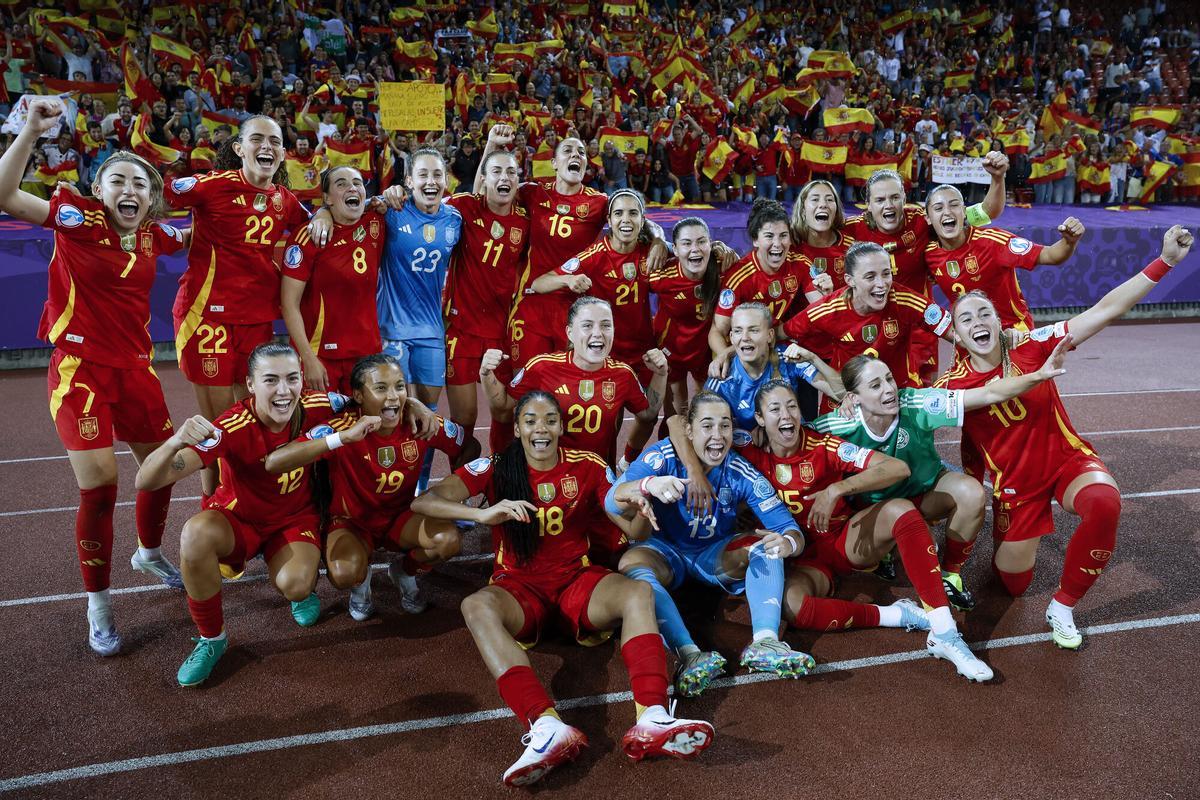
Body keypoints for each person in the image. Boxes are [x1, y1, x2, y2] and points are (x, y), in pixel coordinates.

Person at [410, 391, 714, 787]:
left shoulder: (587, 466)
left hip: (576, 582)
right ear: (517, 429)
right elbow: (426, 502)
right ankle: (545, 726)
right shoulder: (497, 466)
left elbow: (633, 531)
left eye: (550, 420)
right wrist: (480, 513)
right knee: (475, 606)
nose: (542, 429)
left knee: (638, 593)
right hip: (518, 589)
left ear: (561, 426)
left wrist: (640, 509)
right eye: (532, 421)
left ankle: (653, 717)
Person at [936, 226, 1193, 649]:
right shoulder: (951, 386)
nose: (976, 322)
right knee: (1013, 584)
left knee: (1105, 503)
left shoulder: (1032, 345)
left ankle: (1064, 606)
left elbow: (1104, 310)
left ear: (1000, 322)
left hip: (1066, 462)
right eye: (966, 319)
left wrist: (1163, 262)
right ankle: (1010, 534)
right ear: (957, 336)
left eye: (984, 314)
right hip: (1017, 488)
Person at [0, 97, 188, 656]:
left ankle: (149, 552)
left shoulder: (160, 236)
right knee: (101, 487)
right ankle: (99, 605)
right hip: (80, 370)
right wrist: (31, 132)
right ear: (99, 190)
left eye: (140, 184)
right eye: (118, 181)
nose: (129, 190)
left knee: (165, 468)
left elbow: (215, 236)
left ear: (152, 198)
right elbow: (6, 195)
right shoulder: (77, 220)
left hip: (137, 369)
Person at [740, 381, 994, 682]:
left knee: (900, 510)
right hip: (799, 560)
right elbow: (684, 426)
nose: (787, 415)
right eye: (775, 409)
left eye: (792, 405)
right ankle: (897, 615)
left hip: (843, 541)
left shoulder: (824, 445)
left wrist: (838, 488)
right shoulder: (746, 451)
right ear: (758, 419)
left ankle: (945, 632)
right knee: (793, 608)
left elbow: (896, 468)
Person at [134, 345, 347, 687]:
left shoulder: (319, 405)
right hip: (239, 521)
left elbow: (372, 398)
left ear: (302, 381)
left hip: (293, 519)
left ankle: (300, 588)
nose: (283, 390)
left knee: (296, 585)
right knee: (195, 534)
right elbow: (146, 481)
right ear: (250, 384)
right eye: (270, 380)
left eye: (292, 379)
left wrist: (410, 404)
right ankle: (212, 639)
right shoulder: (231, 425)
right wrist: (174, 441)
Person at [810, 342, 1073, 610]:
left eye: (889, 379)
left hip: (924, 493)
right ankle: (887, 553)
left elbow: (988, 393)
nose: (889, 389)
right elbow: (791, 445)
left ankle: (951, 574)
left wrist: (1038, 375)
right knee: (912, 552)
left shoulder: (916, 401)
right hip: (876, 510)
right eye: (875, 385)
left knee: (971, 493)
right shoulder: (836, 425)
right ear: (853, 398)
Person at [607, 392, 817, 698]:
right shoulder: (662, 457)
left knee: (767, 544)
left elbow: (788, 528)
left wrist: (788, 544)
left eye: (725, 426)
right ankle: (690, 655)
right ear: (689, 431)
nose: (718, 436)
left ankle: (766, 643)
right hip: (664, 552)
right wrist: (648, 485)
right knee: (630, 566)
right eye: (708, 426)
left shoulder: (739, 471)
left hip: (712, 556)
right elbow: (611, 500)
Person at [264, 354, 477, 619]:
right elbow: (275, 462)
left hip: (401, 517)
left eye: (399, 387)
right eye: (380, 388)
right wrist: (340, 439)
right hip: (352, 523)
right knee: (343, 573)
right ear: (359, 395)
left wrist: (449, 493)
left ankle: (405, 571)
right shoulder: (343, 426)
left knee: (447, 541)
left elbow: (470, 446)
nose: (392, 396)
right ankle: (360, 584)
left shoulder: (420, 423)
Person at [165, 115, 312, 498]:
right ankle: (214, 507)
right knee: (217, 426)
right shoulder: (212, 185)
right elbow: (157, 194)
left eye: (275, 141)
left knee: (254, 419)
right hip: (206, 319)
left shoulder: (284, 199)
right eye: (258, 139)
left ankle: (248, 501)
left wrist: (327, 212)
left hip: (257, 318)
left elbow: (311, 227)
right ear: (239, 148)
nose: (267, 147)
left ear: (283, 152)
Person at [842, 162, 1007, 384]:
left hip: (919, 330)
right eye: (879, 200)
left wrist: (997, 177)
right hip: (874, 332)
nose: (888, 205)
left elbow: (987, 212)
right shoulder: (852, 229)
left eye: (894, 197)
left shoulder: (923, 219)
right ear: (868, 205)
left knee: (922, 402)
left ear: (904, 197)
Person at [482, 296, 666, 478]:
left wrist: (661, 374)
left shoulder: (623, 375)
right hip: (547, 478)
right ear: (570, 333)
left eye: (606, 325)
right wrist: (486, 374)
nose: (598, 333)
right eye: (587, 325)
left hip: (596, 481)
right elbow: (503, 404)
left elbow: (648, 414)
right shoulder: (542, 367)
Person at [783, 241, 955, 414]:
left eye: (886, 274)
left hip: (896, 393)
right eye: (870, 276)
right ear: (850, 280)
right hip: (847, 399)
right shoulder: (827, 309)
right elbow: (780, 333)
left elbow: (954, 333)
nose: (881, 284)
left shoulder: (904, 299)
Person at [443, 149, 530, 456]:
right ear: (484, 178)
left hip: (502, 332)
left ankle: (499, 476)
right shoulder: (463, 206)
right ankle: (462, 482)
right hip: (462, 330)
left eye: (511, 172)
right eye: (497, 171)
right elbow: (424, 208)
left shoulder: (525, 219)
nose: (504, 177)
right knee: (464, 419)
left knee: (505, 413)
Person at [924, 184, 1085, 331]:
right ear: (928, 218)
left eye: (954, 205)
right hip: (969, 336)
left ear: (964, 211)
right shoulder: (928, 253)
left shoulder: (993, 242)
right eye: (938, 208)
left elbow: (1050, 255)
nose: (947, 212)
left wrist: (1069, 242)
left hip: (1012, 331)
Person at [280, 166, 384, 394]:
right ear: (326, 198)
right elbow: (289, 304)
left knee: (365, 426)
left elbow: (401, 199)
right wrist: (307, 358)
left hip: (366, 354)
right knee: (320, 428)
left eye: (357, 182)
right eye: (341, 184)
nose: (352, 187)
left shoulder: (377, 222)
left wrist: (393, 193)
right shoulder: (307, 237)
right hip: (320, 356)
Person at [708, 199, 830, 379]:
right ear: (755, 239)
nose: (777, 243)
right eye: (769, 236)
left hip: (773, 346)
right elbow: (717, 330)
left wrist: (827, 296)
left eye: (783, 235)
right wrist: (724, 355)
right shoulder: (739, 276)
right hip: (740, 352)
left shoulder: (801, 264)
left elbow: (820, 309)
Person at [705, 303, 843, 433]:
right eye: (738, 331)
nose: (745, 337)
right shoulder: (721, 379)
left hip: (793, 438)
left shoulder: (788, 359)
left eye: (753, 330)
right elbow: (705, 431)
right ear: (731, 337)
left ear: (770, 335)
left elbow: (841, 393)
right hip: (752, 450)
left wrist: (813, 358)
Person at [648, 217, 722, 418]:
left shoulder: (723, 270)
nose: (695, 249)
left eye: (701, 241)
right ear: (676, 248)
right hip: (672, 351)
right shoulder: (661, 276)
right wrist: (658, 242)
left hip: (706, 351)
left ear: (711, 243)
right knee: (677, 414)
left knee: (706, 409)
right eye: (687, 243)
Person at [790, 180, 854, 290]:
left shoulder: (851, 247)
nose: (823, 205)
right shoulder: (790, 246)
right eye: (815, 199)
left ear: (836, 209)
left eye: (829, 199)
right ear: (803, 209)